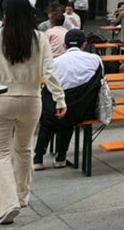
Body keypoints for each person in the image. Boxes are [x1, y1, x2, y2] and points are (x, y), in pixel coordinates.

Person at [0, 0, 66, 224]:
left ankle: (8, 204)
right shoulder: (40, 38)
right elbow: (50, 70)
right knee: (25, 149)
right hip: (30, 99)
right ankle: (22, 195)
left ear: (6, 15)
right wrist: (60, 99)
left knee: (1, 153)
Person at [33, 29, 103, 170]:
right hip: (83, 110)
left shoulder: (55, 62)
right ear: (84, 45)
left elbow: (48, 85)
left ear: (64, 45)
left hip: (55, 112)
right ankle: (61, 156)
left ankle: (38, 158)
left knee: (50, 114)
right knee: (70, 114)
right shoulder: (95, 59)